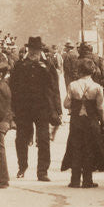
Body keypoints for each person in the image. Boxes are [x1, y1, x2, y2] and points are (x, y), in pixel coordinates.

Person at [9, 36, 62, 181]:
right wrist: (12, 110)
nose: (33, 52)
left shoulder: (48, 66)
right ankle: (22, 167)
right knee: (21, 139)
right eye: (31, 50)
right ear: (28, 49)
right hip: (23, 109)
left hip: (42, 109)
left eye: (36, 50)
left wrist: (58, 110)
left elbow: (55, 89)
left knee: (44, 140)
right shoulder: (20, 66)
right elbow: (12, 88)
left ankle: (42, 171)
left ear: (40, 51)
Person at [61, 58, 104, 188]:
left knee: (76, 148)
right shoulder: (97, 87)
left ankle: (75, 180)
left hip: (76, 121)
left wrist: (77, 104)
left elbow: (66, 104)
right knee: (89, 149)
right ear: (93, 71)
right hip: (91, 122)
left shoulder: (72, 85)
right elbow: (101, 107)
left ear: (80, 71)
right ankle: (88, 180)